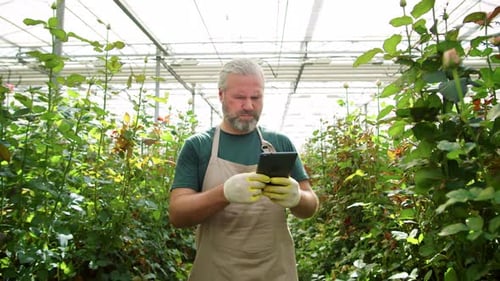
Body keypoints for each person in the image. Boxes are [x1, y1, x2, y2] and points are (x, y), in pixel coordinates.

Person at [169, 58, 319, 281]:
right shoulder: (199, 146)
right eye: (239, 97)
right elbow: (178, 214)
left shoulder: (279, 144)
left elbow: (311, 205)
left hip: (275, 272)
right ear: (221, 95)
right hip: (216, 273)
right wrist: (224, 193)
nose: (249, 105)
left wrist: (297, 197)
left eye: (256, 97)